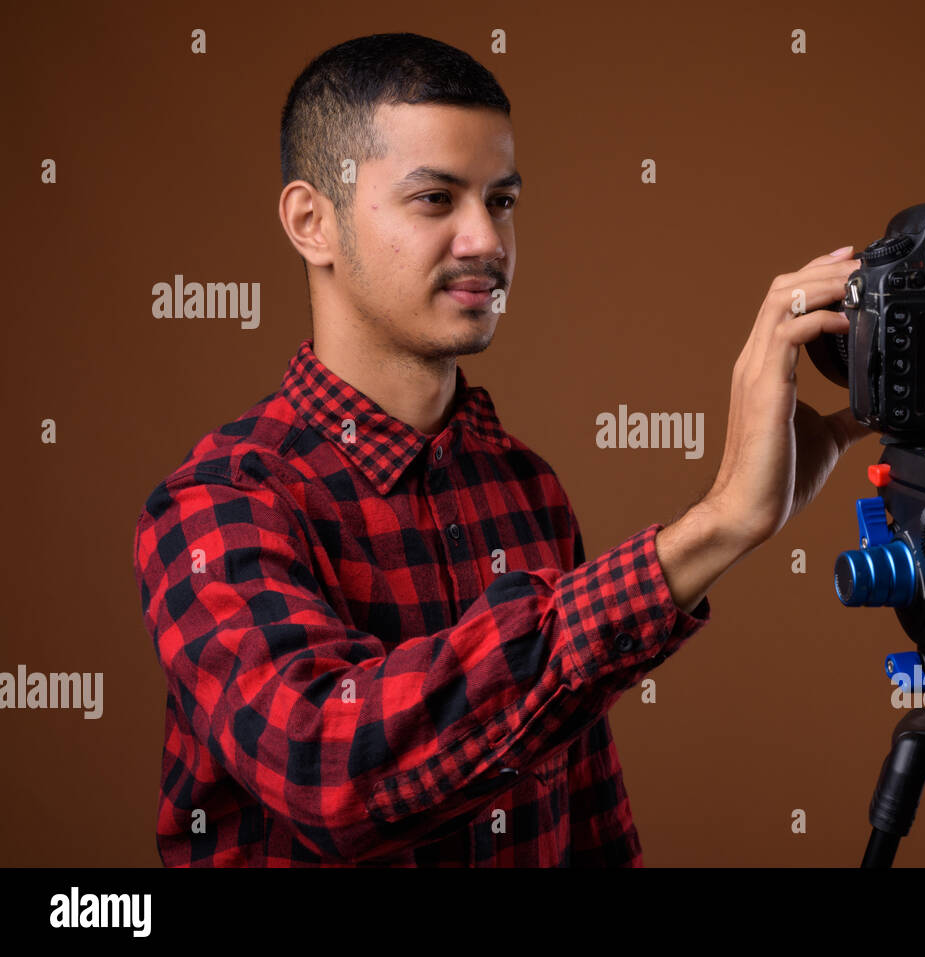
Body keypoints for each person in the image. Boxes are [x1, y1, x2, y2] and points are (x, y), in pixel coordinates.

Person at [132, 32, 873, 867]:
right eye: (435, 199)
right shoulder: (220, 500)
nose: (486, 239)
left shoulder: (527, 487)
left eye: (503, 199)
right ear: (312, 222)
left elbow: (588, 817)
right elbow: (331, 775)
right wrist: (717, 526)